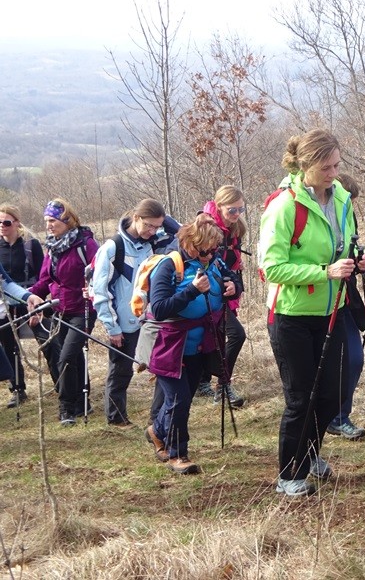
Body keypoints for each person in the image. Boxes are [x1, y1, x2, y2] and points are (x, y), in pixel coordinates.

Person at [259, 129, 365, 497]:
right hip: (291, 315)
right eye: (327, 167)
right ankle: (290, 473)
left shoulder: (340, 198)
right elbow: (271, 268)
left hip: (334, 308)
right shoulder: (284, 206)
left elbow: (346, 245)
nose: (334, 173)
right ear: (305, 165)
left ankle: (309, 452)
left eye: (337, 165)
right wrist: (323, 272)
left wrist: (358, 261)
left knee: (334, 389)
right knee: (301, 396)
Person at [145, 213, 238, 475]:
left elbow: (232, 278)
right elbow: (160, 308)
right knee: (180, 399)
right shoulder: (168, 266)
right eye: (205, 250)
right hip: (169, 345)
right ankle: (178, 454)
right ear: (191, 244)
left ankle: (156, 430)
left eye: (214, 249)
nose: (210, 255)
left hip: (200, 344)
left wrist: (234, 286)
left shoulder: (214, 261)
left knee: (181, 398)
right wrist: (192, 291)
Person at [91, 199, 165, 428]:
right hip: (123, 323)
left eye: (157, 227)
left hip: (149, 319)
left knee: (161, 366)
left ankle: (158, 418)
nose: (152, 231)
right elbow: (101, 292)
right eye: (149, 226)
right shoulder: (113, 248)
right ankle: (116, 418)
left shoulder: (152, 245)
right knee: (121, 371)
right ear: (136, 218)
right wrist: (112, 327)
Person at [29, 199, 98, 426]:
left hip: (83, 309)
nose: (49, 225)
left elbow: (102, 273)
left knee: (67, 356)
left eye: (53, 220)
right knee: (72, 356)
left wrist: (94, 289)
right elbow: (45, 279)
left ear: (67, 221)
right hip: (60, 309)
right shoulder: (52, 246)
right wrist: (29, 296)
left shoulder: (85, 244)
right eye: (46, 221)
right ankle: (81, 402)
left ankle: (66, 408)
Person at [0, 203, 60, 405]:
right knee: (9, 346)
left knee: (47, 340)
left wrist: (33, 301)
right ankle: (17, 389)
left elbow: (43, 275)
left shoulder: (30, 245)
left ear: (16, 223)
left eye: (6, 222)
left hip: (31, 300)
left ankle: (61, 384)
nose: (2, 226)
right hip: (5, 305)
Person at [197, 185, 247, 409]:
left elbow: (230, 260)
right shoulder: (207, 227)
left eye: (240, 210)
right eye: (232, 210)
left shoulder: (236, 229)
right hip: (209, 292)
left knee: (216, 337)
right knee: (236, 335)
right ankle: (222, 387)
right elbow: (199, 261)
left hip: (228, 290)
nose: (236, 215)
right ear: (219, 207)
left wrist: (236, 269)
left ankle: (203, 382)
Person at [326, 173, 365, 440]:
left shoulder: (346, 219)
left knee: (353, 358)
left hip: (345, 299)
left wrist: (364, 264)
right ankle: (328, 416)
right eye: (349, 201)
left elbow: (351, 254)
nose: (351, 206)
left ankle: (339, 416)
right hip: (316, 301)